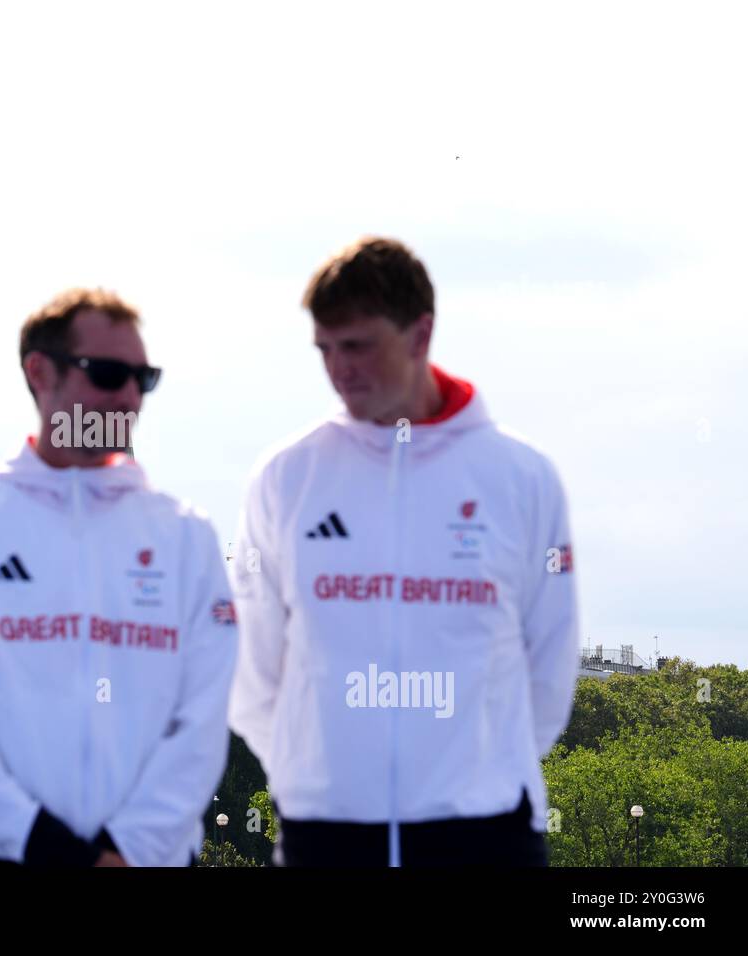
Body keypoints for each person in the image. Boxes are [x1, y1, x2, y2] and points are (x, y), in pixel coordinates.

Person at [229, 236, 579, 866]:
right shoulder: (286, 477)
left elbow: (550, 666)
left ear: (421, 335)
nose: (339, 368)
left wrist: (478, 777)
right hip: (325, 834)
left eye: (358, 345)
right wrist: (311, 779)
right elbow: (253, 667)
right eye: (325, 349)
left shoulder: (522, 478)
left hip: (484, 836)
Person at [0, 288, 239, 867]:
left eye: (142, 379)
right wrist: (51, 849)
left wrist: (128, 849)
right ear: (39, 373)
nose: (127, 396)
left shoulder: (188, 537)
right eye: (107, 374)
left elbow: (202, 724)